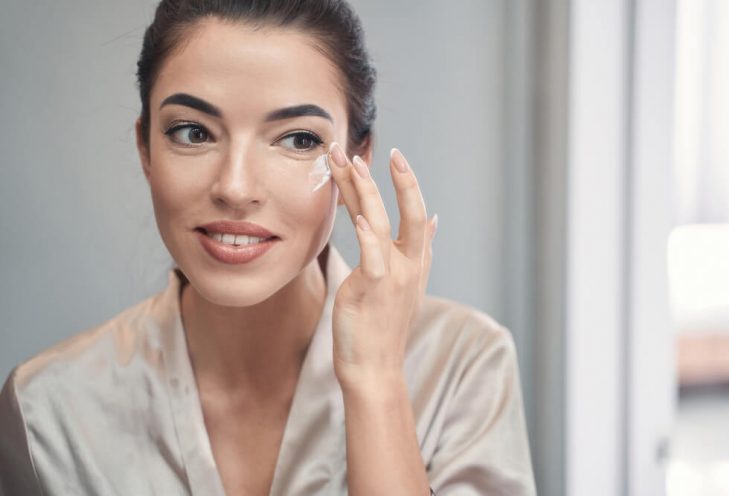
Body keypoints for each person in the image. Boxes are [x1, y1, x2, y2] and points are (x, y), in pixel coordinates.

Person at [0, 1, 536, 494]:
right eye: (192, 132)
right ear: (144, 148)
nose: (234, 187)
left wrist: (375, 380)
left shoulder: (463, 366)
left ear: (358, 159)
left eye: (298, 140)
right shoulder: (47, 408)